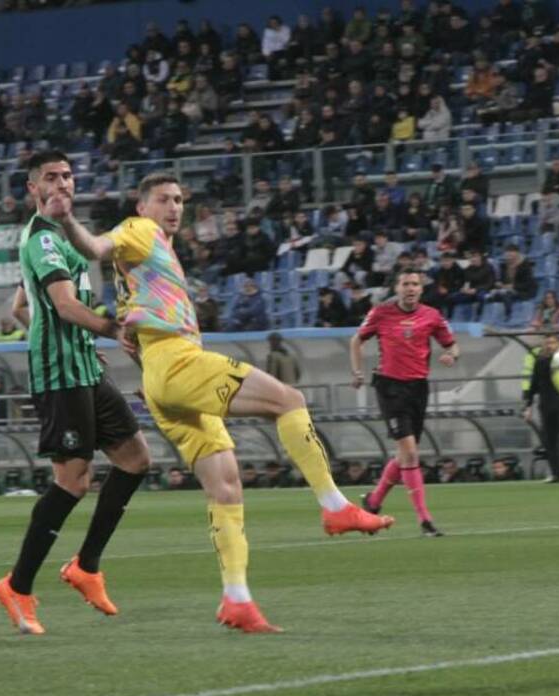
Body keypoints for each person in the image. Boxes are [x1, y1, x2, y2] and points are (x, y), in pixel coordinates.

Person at [51, 171, 393, 633]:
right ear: (142, 206)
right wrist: (68, 218)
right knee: (288, 400)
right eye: (164, 200)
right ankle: (334, 507)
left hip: (160, 378)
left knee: (226, 485)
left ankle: (237, 599)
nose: (174, 208)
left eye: (178, 200)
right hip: (177, 364)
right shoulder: (140, 230)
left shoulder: (157, 251)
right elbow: (95, 248)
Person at [0, 150, 152, 637]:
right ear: (32, 188)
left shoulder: (64, 235)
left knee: (134, 458)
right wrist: (108, 329)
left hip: (82, 364)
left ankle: (86, 565)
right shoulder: (42, 239)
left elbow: (23, 305)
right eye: (51, 178)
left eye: (67, 176)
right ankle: (17, 587)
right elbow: (63, 306)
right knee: (73, 482)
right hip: (61, 375)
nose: (61, 183)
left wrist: (82, 336)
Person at [350, 268, 460, 537]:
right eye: (405, 284)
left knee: (404, 455)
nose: (410, 288)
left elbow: (452, 345)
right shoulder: (381, 313)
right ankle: (425, 520)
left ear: (421, 289)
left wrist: (451, 356)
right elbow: (357, 340)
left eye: (415, 284)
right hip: (389, 386)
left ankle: (373, 501)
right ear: (397, 288)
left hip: (418, 388)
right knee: (410, 452)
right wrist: (357, 371)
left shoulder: (431, 316)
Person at [523, 334, 559, 482]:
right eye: (547, 343)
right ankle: (556, 473)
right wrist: (528, 405)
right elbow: (534, 385)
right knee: (549, 440)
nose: (550, 346)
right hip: (545, 404)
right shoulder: (540, 362)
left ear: (558, 344)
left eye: (552, 343)